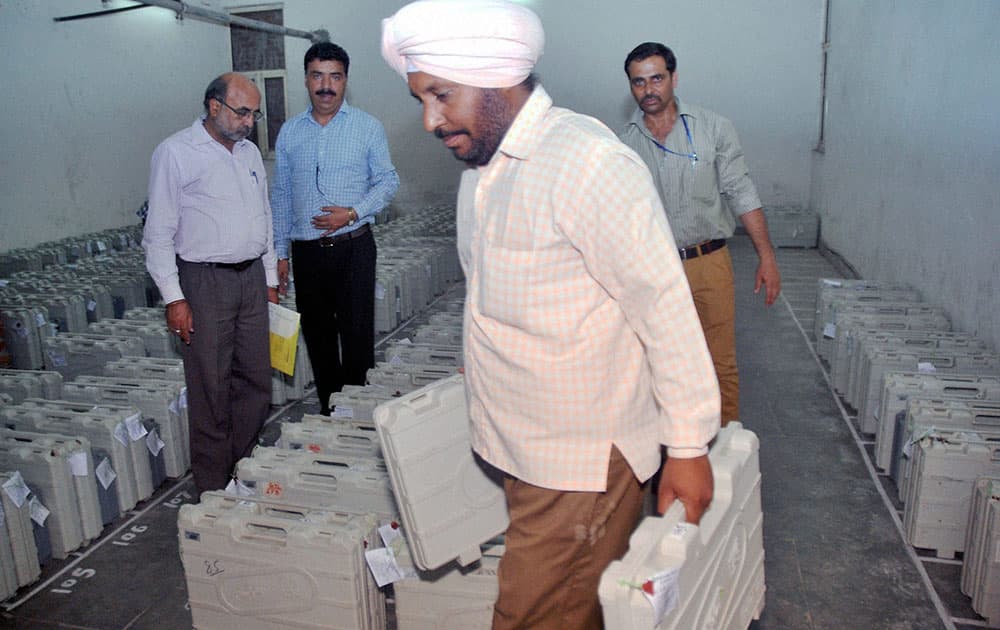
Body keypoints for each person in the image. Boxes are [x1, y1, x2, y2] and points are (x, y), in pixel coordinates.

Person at [381, 2, 720, 628]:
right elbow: (494, 288)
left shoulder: (587, 163)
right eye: (421, 100)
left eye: (441, 95)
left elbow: (664, 308)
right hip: (523, 442)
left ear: (496, 78)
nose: (430, 119)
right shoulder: (482, 172)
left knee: (530, 616)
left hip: (580, 460)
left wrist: (689, 446)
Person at [620, 42, 782, 424]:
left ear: (674, 79)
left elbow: (741, 190)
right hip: (653, 269)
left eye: (657, 78)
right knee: (656, 362)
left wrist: (767, 256)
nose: (649, 90)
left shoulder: (713, 128)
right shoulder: (623, 143)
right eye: (638, 82)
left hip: (708, 263)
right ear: (631, 87)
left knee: (719, 362)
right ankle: (668, 448)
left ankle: (725, 445)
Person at [143, 73, 279, 493]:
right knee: (210, 389)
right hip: (205, 282)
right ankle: (212, 487)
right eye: (242, 112)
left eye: (255, 114)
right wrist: (174, 298)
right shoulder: (176, 153)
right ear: (214, 106)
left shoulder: (249, 153)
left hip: (251, 280)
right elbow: (158, 234)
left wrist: (270, 278)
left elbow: (265, 218)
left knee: (256, 382)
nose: (249, 122)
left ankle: (241, 469)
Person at [271, 42, 400, 416]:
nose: (326, 85)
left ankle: (359, 415)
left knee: (357, 336)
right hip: (307, 254)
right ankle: (331, 412)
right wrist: (280, 253)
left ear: (345, 80)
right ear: (306, 79)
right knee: (319, 338)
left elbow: (388, 181)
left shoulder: (366, 127)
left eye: (335, 77)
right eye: (317, 76)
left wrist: (353, 212)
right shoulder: (290, 132)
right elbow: (280, 195)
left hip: (354, 247)